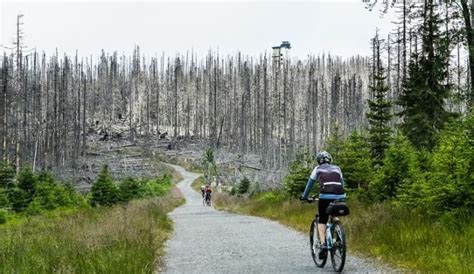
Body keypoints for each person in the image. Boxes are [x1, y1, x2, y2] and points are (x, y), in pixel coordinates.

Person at [300, 151, 346, 260]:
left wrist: (304, 196)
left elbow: (309, 185)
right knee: (334, 214)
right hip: (339, 196)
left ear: (318, 161)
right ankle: (338, 234)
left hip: (325, 197)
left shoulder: (317, 169)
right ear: (330, 160)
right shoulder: (338, 168)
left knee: (322, 220)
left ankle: (323, 245)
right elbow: (342, 183)